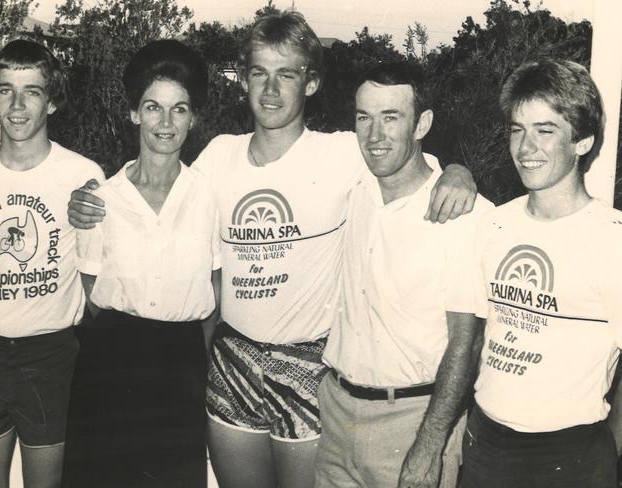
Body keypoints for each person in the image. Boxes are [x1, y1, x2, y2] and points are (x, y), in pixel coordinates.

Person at [67, 11, 477, 488]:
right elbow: (159, 184)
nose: (271, 90)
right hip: (232, 360)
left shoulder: (341, 152)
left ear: (311, 82)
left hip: (306, 363)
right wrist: (88, 198)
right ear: (242, 80)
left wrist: (457, 171)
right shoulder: (219, 155)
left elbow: (409, 160)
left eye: (287, 74)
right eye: (259, 73)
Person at [314, 62, 493, 488]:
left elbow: (466, 345)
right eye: (364, 117)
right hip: (336, 413)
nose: (374, 136)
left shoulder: (464, 215)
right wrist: (458, 166)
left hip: (413, 421)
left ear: (422, 123)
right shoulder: (352, 183)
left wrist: (428, 448)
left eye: (391, 117)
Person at [61, 40, 220, 487]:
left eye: (179, 109)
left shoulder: (209, 194)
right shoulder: (101, 200)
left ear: (194, 117)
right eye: (153, 107)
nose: (165, 123)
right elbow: (93, 292)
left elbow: (217, 283)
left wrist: (187, 353)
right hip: (112, 362)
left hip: (182, 364)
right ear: (134, 113)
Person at [461, 59, 621, 488]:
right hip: (484, 444)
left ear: (582, 140)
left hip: (569, 457)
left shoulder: (612, 240)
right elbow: (476, 337)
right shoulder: (494, 224)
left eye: (545, 130)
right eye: (518, 129)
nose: (526, 147)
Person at [0, 40, 104, 488]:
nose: (17, 104)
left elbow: (95, 286)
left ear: (52, 99)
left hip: (50, 357)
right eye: (6, 89)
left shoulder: (81, 176)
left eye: (32, 91)